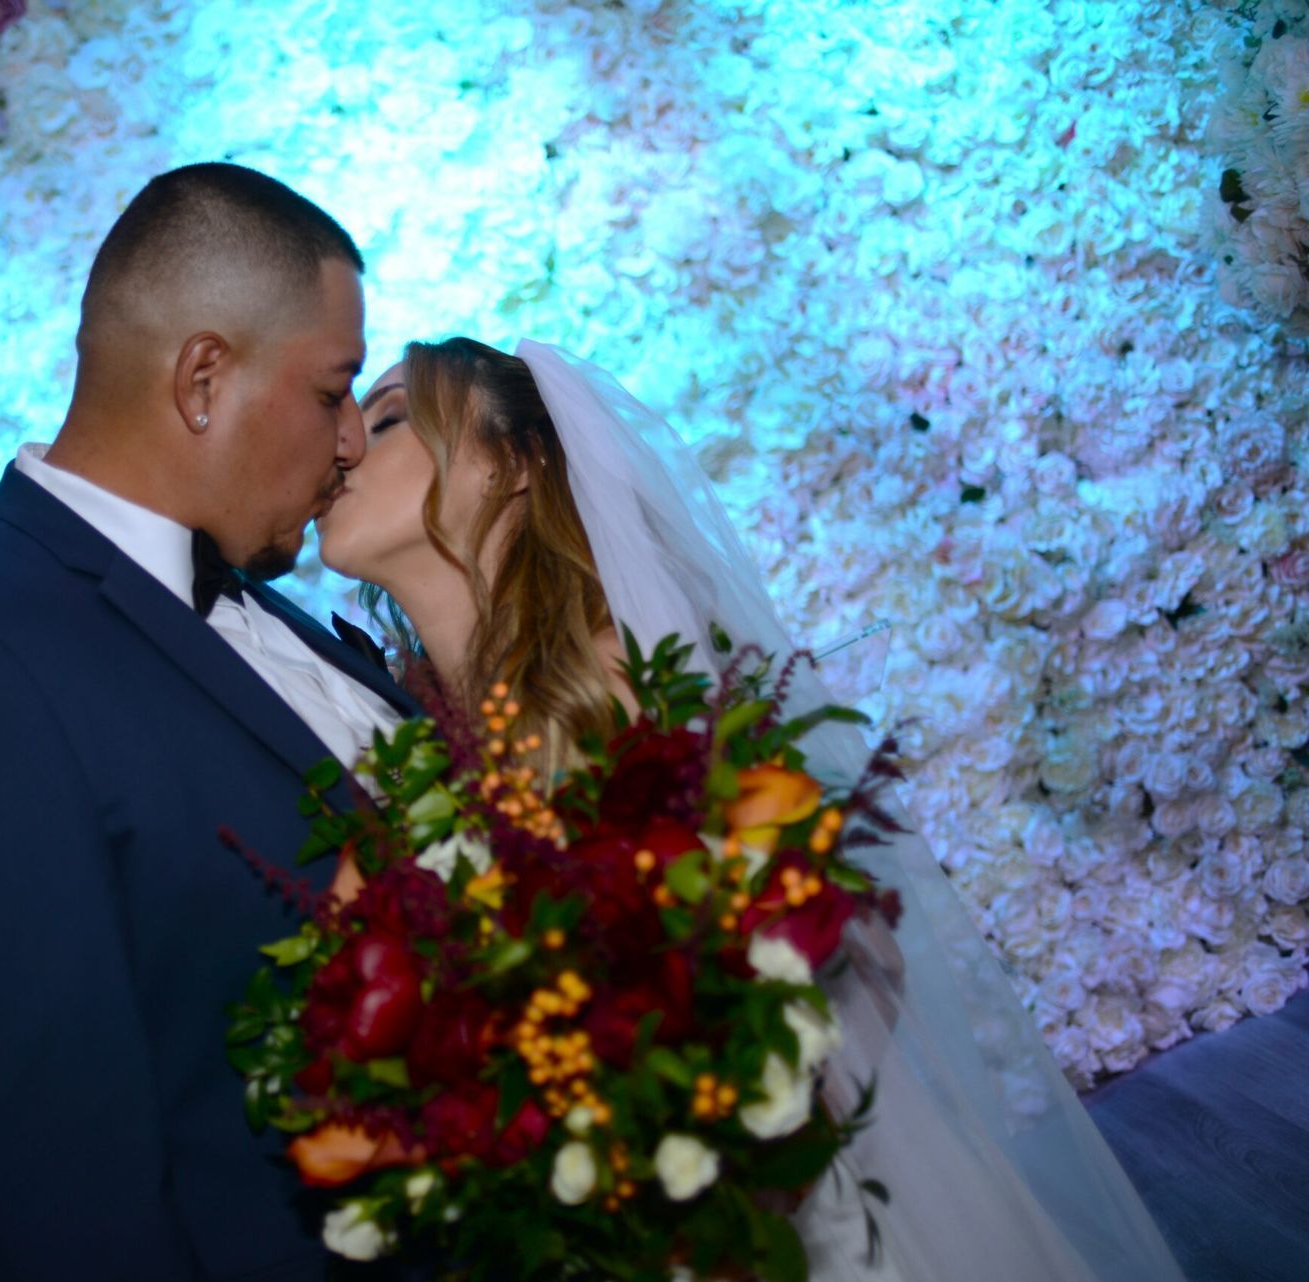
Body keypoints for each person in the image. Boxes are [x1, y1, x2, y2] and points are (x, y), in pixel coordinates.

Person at [316, 337, 1187, 1282]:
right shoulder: (406, 749)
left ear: (515, 462)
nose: (349, 439)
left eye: (393, 414)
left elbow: (857, 948)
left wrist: (725, 1157)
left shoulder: (627, 678)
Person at [0, 163, 423, 1280]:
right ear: (204, 377)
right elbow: (49, 1194)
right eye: (332, 388)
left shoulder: (270, 606)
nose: (350, 440)